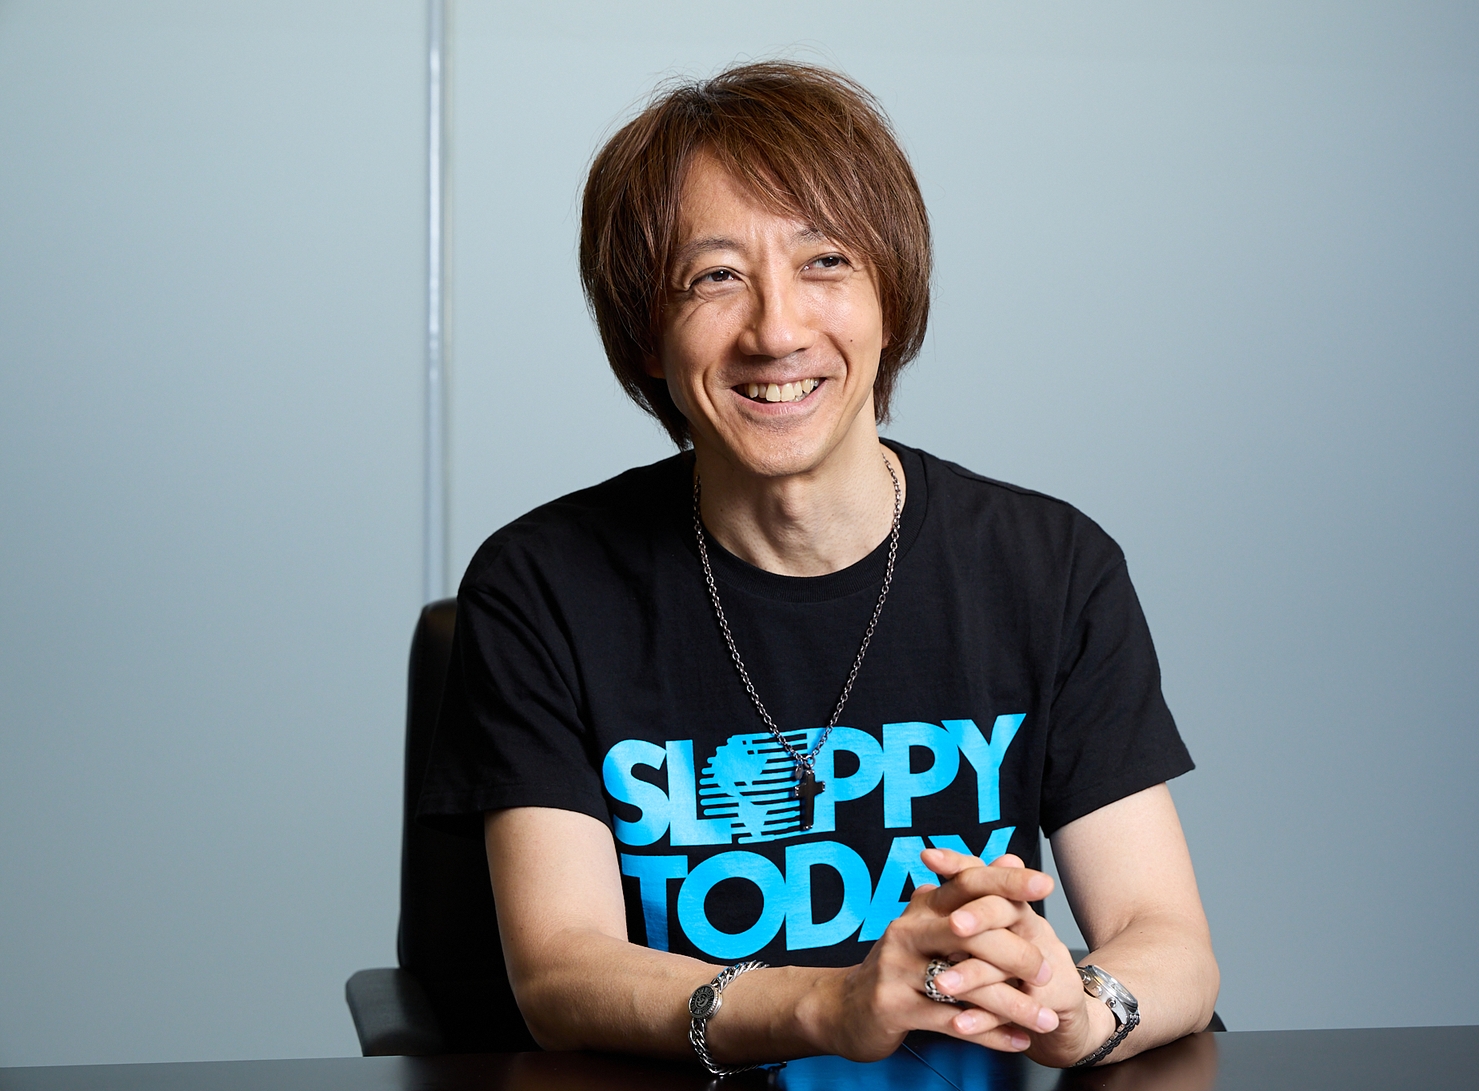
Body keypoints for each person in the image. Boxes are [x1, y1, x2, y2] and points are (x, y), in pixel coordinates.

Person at [419, 60, 1219, 1072]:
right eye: (715, 277)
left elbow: (1168, 938)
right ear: (647, 334)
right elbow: (561, 971)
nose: (777, 330)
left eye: (825, 261)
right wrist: (829, 1005)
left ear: (892, 296)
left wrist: (1080, 1009)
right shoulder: (542, 588)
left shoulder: (1050, 568)